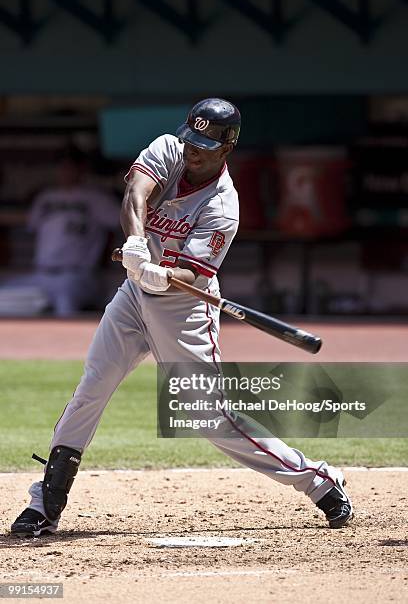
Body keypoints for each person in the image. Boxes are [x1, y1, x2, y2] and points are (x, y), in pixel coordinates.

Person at [10, 98, 353, 537]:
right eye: (191, 139)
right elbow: (136, 193)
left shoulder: (223, 205)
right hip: (133, 296)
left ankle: (317, 480)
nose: (192, 151)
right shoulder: (170, 148)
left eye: (204, 146)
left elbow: (192, 273)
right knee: (91, 387)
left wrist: (162, 273)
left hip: (184, 308)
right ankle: (46, 504)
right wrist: (137, 246)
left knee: (209, 419)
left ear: (227, 147)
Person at [4, 145, 120, 316]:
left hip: (78, 275)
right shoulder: (46, 197)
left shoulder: (97, 198)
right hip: (41, 273)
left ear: (82, 168)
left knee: (65, 303)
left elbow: (126, 222)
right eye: (62, 165)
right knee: (5, 299)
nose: (66, 170)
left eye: (71, 166)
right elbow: (29, 224)